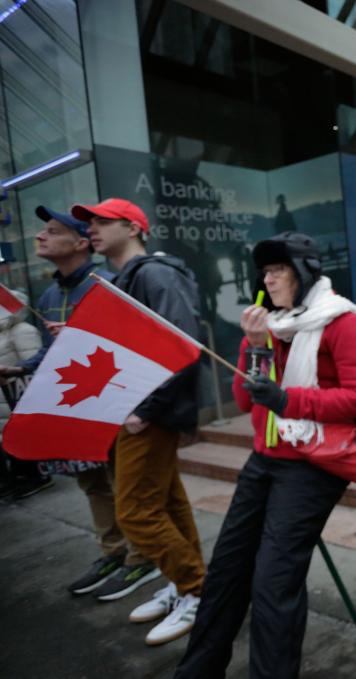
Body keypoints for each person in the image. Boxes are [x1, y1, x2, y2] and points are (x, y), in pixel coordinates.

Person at [175, 231, 356, 678]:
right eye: (264, 272)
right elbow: (244, 400)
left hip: (314, 464)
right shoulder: (266, 325)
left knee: (272, 582)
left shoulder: (340, 320)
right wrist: (256, 347)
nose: (268, 280)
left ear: (303, 273)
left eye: (278, 270)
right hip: (264, 460)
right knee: (226, 571)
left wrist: (288, 400)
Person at [74, 197, 205, 646]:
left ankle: (197, 589)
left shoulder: (154, 274)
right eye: (89, 222)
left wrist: (146, 410)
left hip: (146, 414)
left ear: (133, 228)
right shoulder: (129, 278)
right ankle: (189, 585)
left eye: (101, 221)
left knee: (134, 512)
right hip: (140, 410)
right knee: (167, 503)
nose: (91, 229)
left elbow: (183, 343)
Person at [0, 205, 146, 596]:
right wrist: (19, 368)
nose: (40, 236)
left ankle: (140, 558)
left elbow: (133, 346)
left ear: (81, 243)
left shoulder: (108, 286)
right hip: (75, 405)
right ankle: (113, 551)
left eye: (52, 231)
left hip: (113, 405)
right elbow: (51, 350)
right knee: (92, 483)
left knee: (125, 484)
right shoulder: (49, 294)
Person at [0, 289, 46, 499]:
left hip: (15, 394)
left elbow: (32, 364)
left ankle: (37, 476)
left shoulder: (22, 331)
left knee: (23, 435)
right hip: (5, 397)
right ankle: (19, 477)